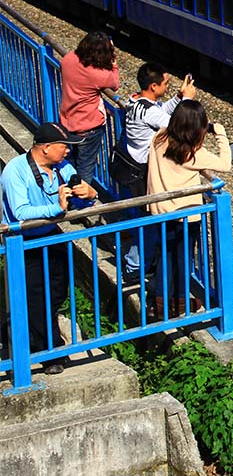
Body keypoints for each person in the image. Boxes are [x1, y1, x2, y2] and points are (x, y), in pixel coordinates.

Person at [1, 122, 98, 374]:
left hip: (50, 235)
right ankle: (51, 352)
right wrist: (57, 208)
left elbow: (79, 201)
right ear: (45, 148)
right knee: (35, 298)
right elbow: (21, 212)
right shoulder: (15, 171)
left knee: (56, 292)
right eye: (63, 147)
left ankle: (30, 338)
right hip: (23, 240)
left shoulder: (63, 167)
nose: (68, 152)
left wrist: (89, 193)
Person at [145, 100, 231, 317]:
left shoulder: (159, 137)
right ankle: (179, 303)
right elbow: (225, 164)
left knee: (165, 256)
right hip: (186, 215)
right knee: (183, 259)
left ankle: (161, 303)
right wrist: (220, 133)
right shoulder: (193, 154)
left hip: (159, 211)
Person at [115, 63, 196, 277]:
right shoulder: (150, 113)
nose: (167, 87)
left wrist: (178, 98)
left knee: (140, 221)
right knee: (146, 223)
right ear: (153, 86)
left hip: (129, 167)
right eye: (165, 84)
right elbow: (180, 126)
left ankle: (139, 262)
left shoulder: (135, 101)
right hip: (142, 174)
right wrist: (187, 100)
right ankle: (135, 267)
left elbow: (160, 111)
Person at [59, 31, 119, 185]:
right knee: (85, 167)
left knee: (69, 163)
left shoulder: (68, 59)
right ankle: (80, 203)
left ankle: (67, 194)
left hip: (67, 123)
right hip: (89, 127)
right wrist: (113, 62)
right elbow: (115, 84)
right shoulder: (99, 75)